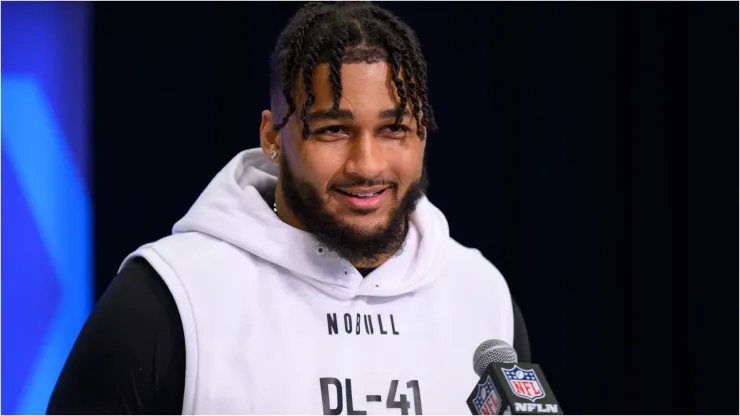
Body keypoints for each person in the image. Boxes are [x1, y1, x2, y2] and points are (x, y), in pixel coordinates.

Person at [47, 2, 530, 414]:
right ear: (273, 137)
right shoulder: (171, 298)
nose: (367, 164)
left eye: (393, 129)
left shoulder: (479, 294)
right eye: (333, 130)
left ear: (423, 133)